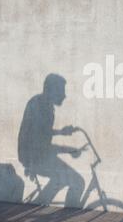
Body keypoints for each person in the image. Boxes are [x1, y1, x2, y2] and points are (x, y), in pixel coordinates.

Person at [18, 74, 85, 207]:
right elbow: (39, 141)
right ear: (52, 90)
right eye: (62, 90)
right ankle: (64, 216)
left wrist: (61, 133)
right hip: (34, 156)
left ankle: (40, 207)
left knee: (62, 178)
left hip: (35, 154)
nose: (64, 95)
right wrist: (68, 149)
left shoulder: (42, 104)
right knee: (77, 181)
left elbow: (42, 134)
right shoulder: (40, 106)